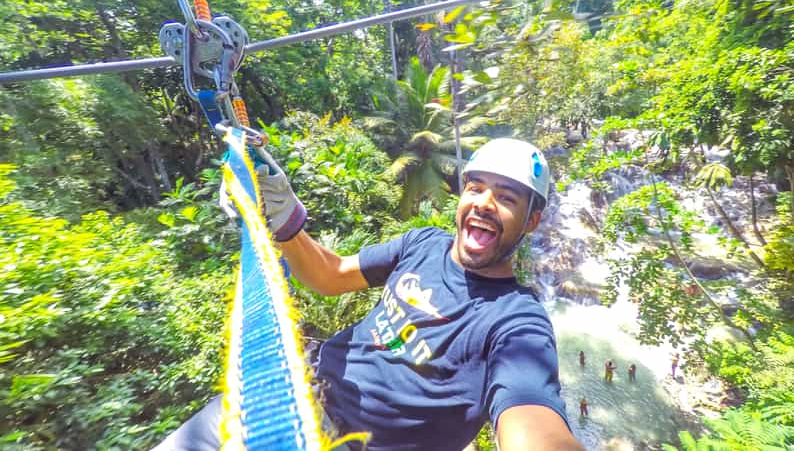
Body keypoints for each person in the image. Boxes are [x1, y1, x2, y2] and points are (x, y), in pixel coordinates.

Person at [155, 138, 584, 451]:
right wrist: (285, 219)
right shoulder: (422, 244)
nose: (485, 203)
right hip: (283, 395)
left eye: (506, 197)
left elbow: (532, 421)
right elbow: (331, 274)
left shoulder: (515, 321)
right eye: (475, 188)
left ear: (531, 222)